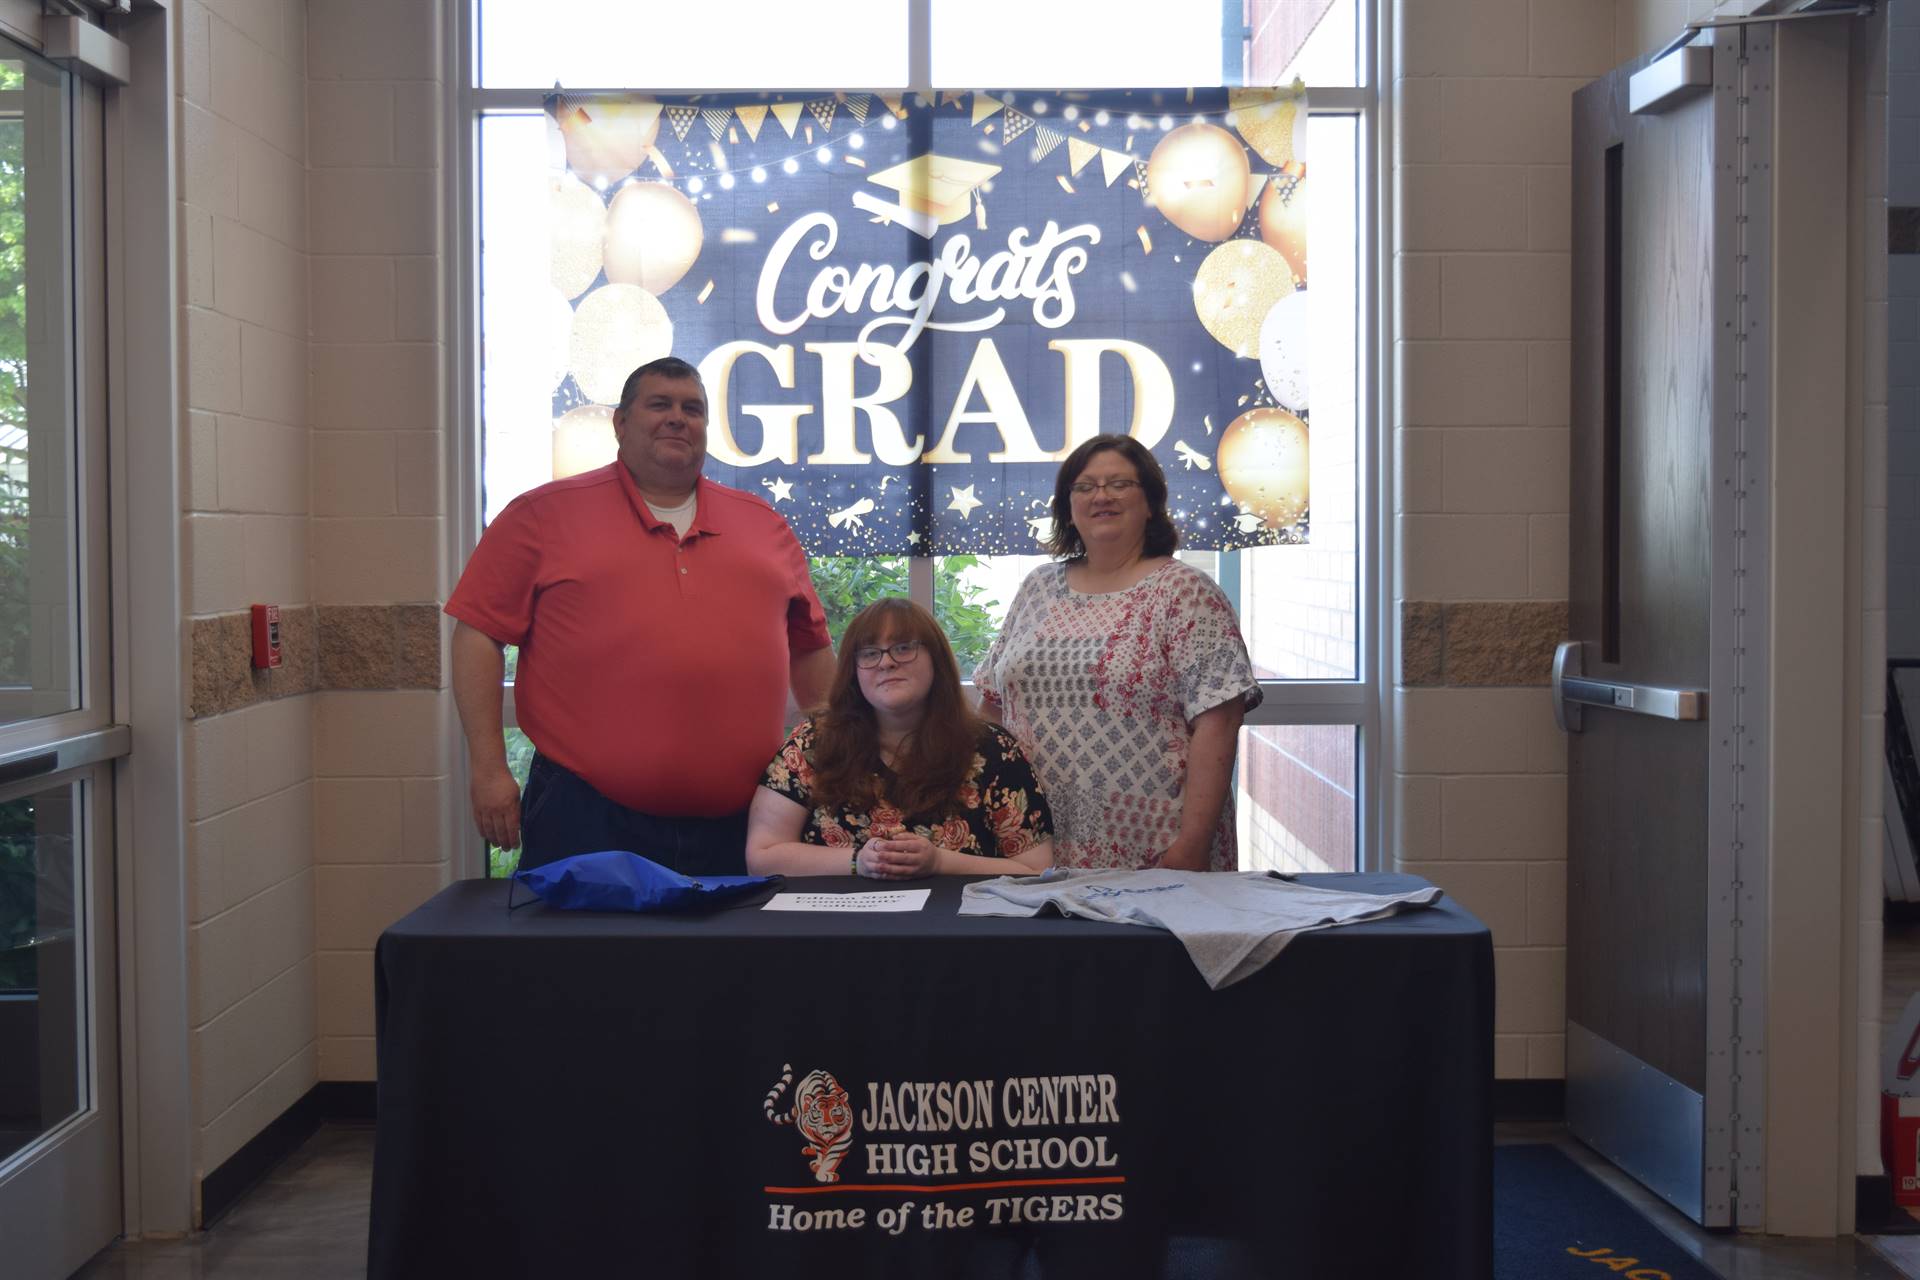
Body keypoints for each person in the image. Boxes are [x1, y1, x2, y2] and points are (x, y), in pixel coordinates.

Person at [446, 355, 836, 875]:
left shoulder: (763, 524)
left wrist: (834, 762)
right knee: (586, 960)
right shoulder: (541, 516)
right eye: (660, 404)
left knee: (737, 960)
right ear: (620, 424)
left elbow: (811, 649)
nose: (678, 418)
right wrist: (489, 769)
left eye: (692, 409)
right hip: (583, 816)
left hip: (745, 821)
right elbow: (477, 634)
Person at [973, 434, 1262, 872]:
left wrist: (1191, 847)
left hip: (1156, 853)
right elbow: (992, 706)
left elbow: (1219, 723)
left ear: (1150, 502)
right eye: (1085, 487)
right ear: (1068, 507)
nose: (1101, 496)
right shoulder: (1036, 588)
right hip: (1031, 849)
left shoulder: (1186, 592)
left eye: (1119, 484)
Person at [747, 598, 1055, 879]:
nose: (886, 662)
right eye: (869, 653)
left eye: (904, 648)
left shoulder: (993, 750)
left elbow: (1037, 868)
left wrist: (939, 862)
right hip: (837, 931)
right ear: (853, 673)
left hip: (956, 932)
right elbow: (762, 856)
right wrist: (859, 862)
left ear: (936, 659)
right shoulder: (813, 744)